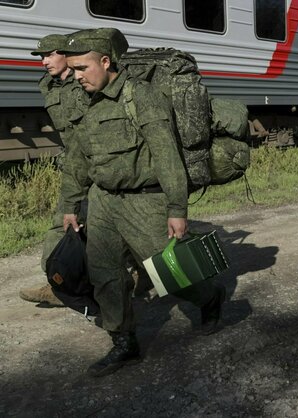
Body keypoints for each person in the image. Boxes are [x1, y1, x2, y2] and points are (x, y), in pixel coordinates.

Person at [59, 28, 226, 377]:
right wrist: (70, 205)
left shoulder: (141, 96)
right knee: (106, 276)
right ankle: (124, 343)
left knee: (173, 273)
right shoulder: (85, 102)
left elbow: (167, 156)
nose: (77, 76)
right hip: (102, 202)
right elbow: (76, 159)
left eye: (83, 68)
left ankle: (210, 296)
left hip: (144, 202)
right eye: (72, 69)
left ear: (105, 62)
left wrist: (177, 209)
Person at [19, 34, 89, 307]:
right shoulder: (50, 85)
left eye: (49, 55)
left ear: (67, 56)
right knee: (64, 223)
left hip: (98, 164)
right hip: (76, 164)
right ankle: (58, 285)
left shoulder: (85, 82)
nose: (44, 61)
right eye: (41, 56)